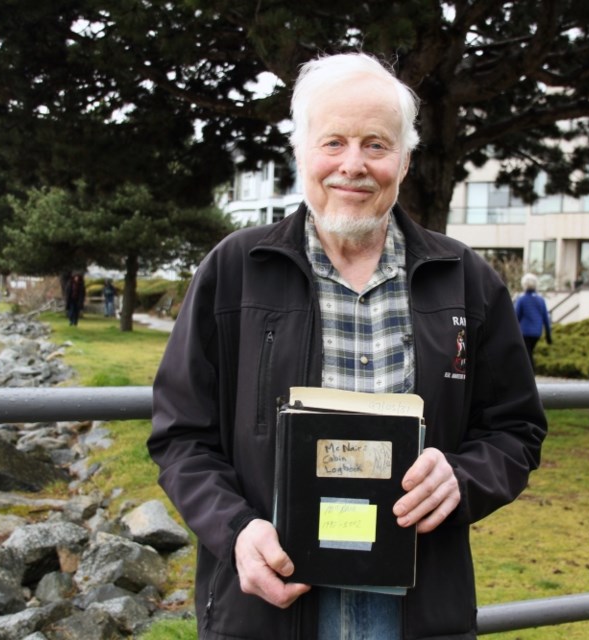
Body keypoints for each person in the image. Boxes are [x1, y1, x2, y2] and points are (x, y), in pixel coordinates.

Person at [149, 52, 547, 640]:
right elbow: (182, 436)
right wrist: (236, 531)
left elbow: (515, 431)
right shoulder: (234, 270)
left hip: (416, 611)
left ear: (405, 161)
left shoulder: (466, 279)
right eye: (332, 142)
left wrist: (463, 479)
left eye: (376, 145)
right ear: (301, 153)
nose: (352, 166)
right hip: (270, 609)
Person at [514, 273, 552, 371]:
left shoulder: (521, 299)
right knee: (529, 352)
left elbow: (516, 316)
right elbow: (545, 318)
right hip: (537, 332)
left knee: (527, 353)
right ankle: (530, 373)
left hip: (525, 332)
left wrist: (511, 332)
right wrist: (548, 335)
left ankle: (530, 374)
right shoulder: (541, 300)